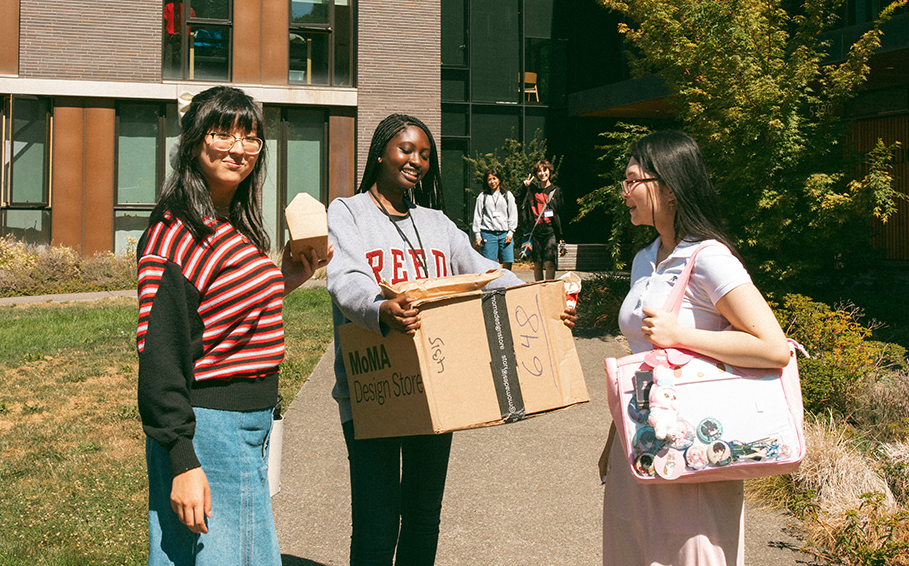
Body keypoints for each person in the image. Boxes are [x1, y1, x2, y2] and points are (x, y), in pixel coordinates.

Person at [327, 114, 575, 566]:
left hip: (435, 391)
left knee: (423, 516)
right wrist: (380, 308)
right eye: (406, 150)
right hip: (373, 392)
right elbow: (345, 278)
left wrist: (544, 300)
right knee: (377, 522)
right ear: (381, 151)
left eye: (425, 154)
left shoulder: (438, 223)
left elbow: (485, 271)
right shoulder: (349, 212)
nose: (416, 161)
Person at [136, 86, 326, 566]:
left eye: (250, 137)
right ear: (195, 140)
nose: (238, 148)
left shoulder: (225, 222)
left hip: (241, 425)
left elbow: (223, 315)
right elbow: (159, 354)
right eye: (222, 133)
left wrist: (284, 278)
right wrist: (182, 458)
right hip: (211, 429)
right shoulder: (176, 232)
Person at [600, 130, 791, 566]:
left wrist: (681, 335)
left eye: (632, 181)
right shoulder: (644, 258)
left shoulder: (709, 258)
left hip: (696, 446)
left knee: (691, 554)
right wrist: (614, 436)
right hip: (641, 439)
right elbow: (642, 356)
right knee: (633, 552)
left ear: (667, 188)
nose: (624, 191)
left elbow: (773, 347)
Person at [518, 160, 564, 281]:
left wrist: (562, 235)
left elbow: (561, 213)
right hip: (535, 231)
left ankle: (549, 288)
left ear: (550, 171)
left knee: (549, 262)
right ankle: (538, 289)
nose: (542, 173)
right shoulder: (532, 189)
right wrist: (524, 186)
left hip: (550, 231)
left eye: (545, 170)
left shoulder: (556, 190)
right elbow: (518, 199)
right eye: (539, 171)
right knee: (537, 263)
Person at [471, 168, 518, 270]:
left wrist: (511, 232)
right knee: (489, 265)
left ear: (499, 179)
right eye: (489, 179)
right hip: (488, 234)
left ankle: (506, 283)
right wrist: (477, 235)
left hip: (504, 234)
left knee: (507, 262)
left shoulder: (507, 195)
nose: (492, 182)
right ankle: (492, 285)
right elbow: (478, 216)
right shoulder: (482, 196)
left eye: (494, 178)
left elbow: (513, 214)